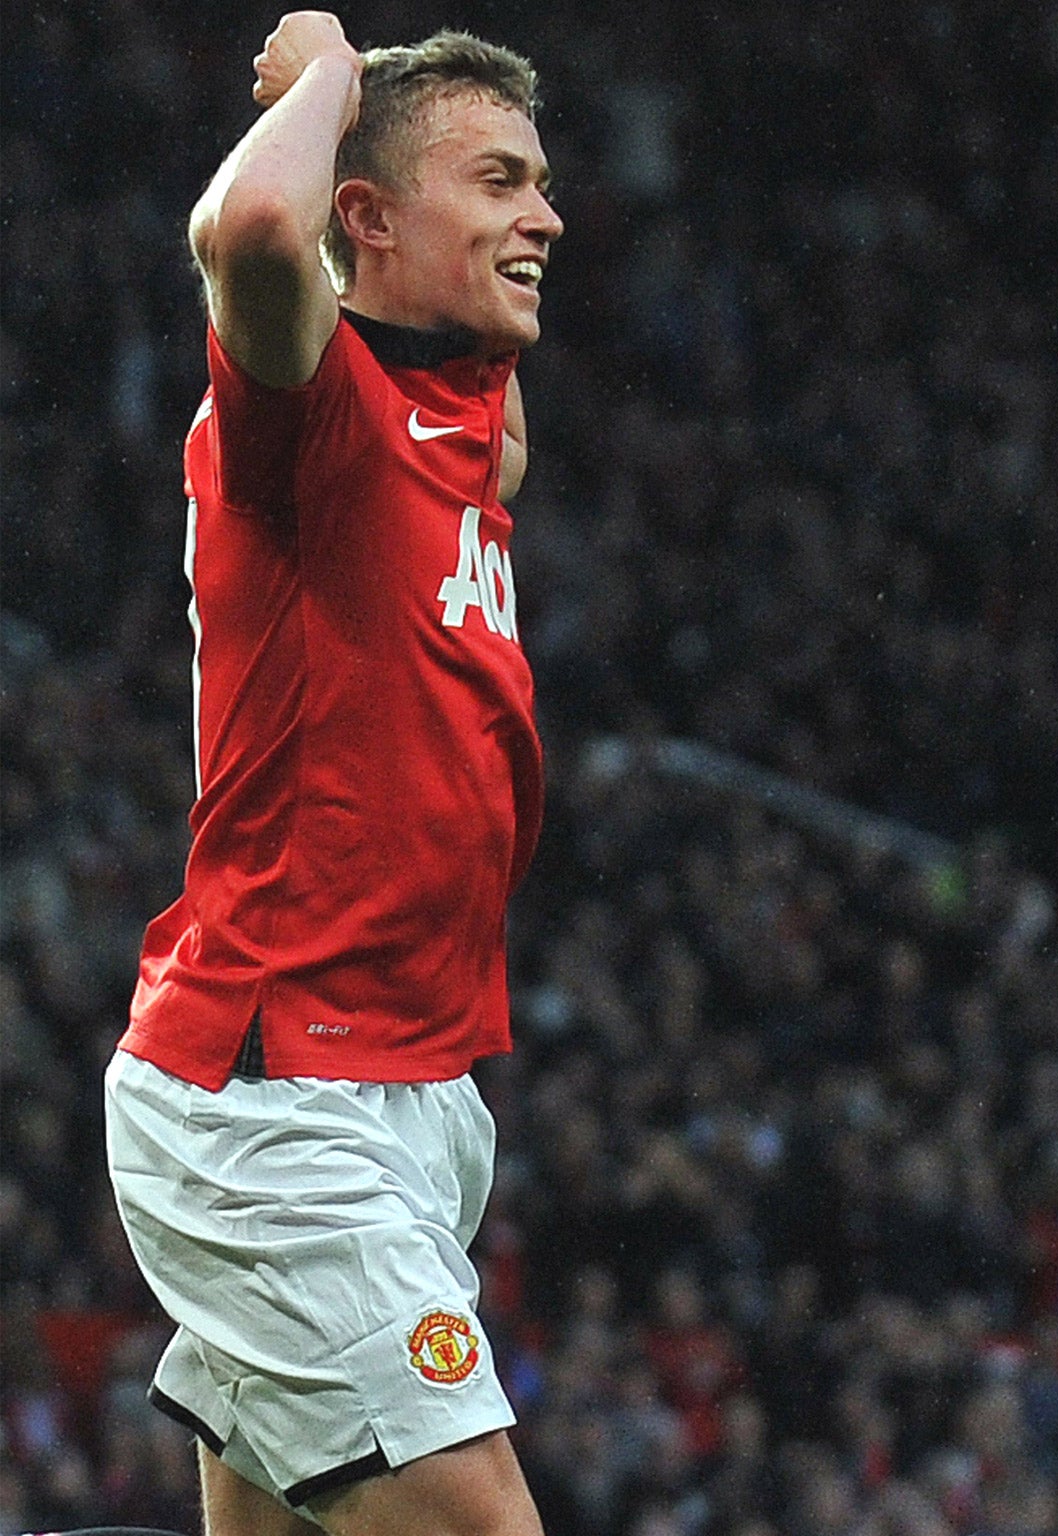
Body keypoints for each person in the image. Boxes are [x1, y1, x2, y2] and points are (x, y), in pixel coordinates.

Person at [102, 12, 562, 1536]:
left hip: (421, 1099)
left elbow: (492, 416)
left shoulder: (466, 419)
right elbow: (250, 226)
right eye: (497, 180)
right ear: (365, 219)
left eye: (542, 182)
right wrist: (335, 81)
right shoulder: (316, 419)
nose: (543, 216)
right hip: (276, 1097)